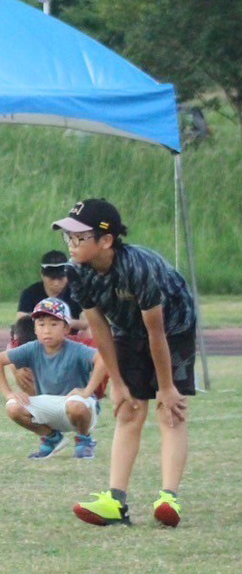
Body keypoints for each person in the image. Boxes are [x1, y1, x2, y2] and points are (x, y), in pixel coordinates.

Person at [53, 199, 197, 528]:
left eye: (79, 238)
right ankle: (116, 501)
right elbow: (99, 327)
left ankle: (168, 498)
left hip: (173, 328)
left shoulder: (138, 267)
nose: (71, 245)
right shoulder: (76, 271)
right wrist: (116, 384)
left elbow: (156, 332)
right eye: (68, 238)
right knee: (129, 409)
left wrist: (165, 387)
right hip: (126, 329)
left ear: (106, 240)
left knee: (168, 410)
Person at [0, 298, 105, 460]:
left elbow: (102, 359)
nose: (47, 330)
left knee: (75, 405)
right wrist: (8, 394)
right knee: (13, 408)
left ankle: (84, 439)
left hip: (78, 404)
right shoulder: (33, 348)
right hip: (50, 404)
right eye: (41, 324)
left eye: (53, 324)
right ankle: (52, 438)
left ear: (66, 328)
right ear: (35, 329)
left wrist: (87, 391)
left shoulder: (76, 349)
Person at [15, 250, 86, 338]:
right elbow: (21, 320)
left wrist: (64, 321)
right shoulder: (30, 293)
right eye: (52, 278)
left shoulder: (78, 292)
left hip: (72, 340)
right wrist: (46, 320)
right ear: (42, 275)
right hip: (38, 340)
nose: (56, 283)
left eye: (61, 278)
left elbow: (88, 322)